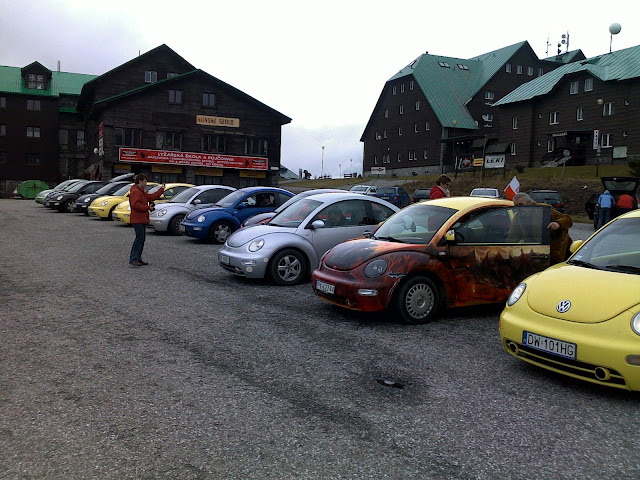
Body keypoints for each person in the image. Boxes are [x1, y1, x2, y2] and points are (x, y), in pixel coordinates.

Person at [509, 192, 573, 265]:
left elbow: (567, 219)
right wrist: (508, 250)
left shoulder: (543, 209)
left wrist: (558, 223)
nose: (519, 208)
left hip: (557, 250)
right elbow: (513, 236)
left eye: (521, 204)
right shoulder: (517, 218)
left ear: (529, 203)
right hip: (537, 252)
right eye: (516, 206)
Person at [129, 174, 164, 267]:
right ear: (140, 181)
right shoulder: (136, 192)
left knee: (141, 239)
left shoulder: (141, 191)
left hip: (141, 219)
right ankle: (134, 259)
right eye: (145, 181)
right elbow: (135, 205)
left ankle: (138, 258)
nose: (146, 183)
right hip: (137, 219)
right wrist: (148, 207)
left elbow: (152, 196)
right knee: (139, 239)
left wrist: (161, 189)